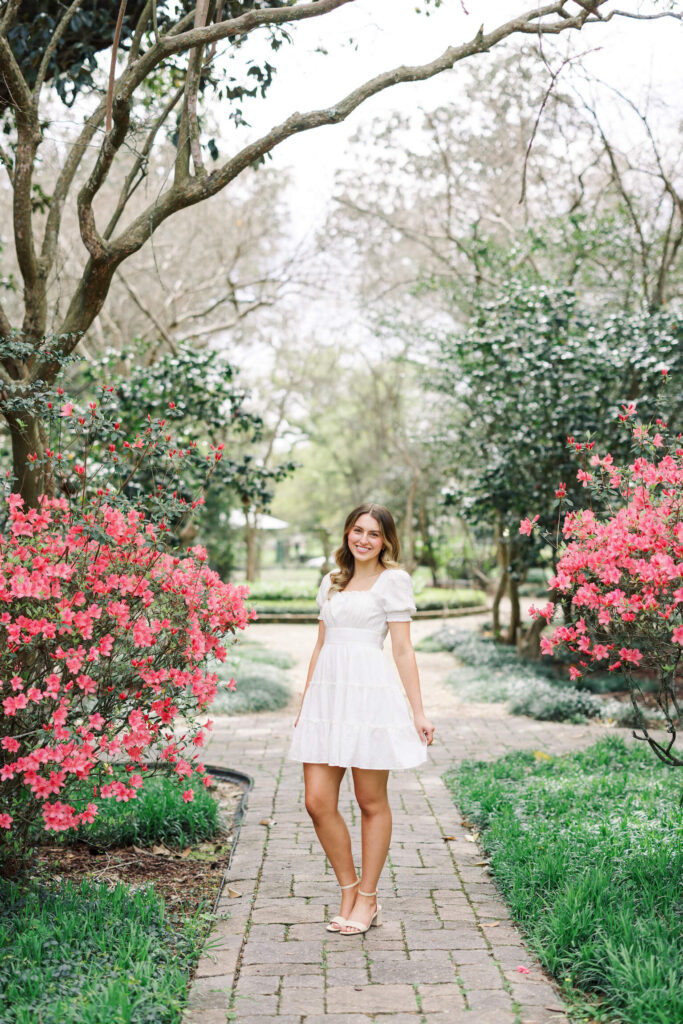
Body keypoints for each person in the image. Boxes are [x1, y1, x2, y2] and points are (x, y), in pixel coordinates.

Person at [287, 502, 435, 936]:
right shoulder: (331, 582)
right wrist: (305, 705)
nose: (364, 539)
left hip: (370, 699)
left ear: (386, 540)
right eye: (357, 530)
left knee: (371, 802)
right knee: (317, 802)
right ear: (347, 534)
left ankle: (366, 899)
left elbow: (403, 649)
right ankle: (348, 888)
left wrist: (419, 712)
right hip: (327, 702)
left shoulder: (393, 581)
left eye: (373, 533)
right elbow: (320, 646)